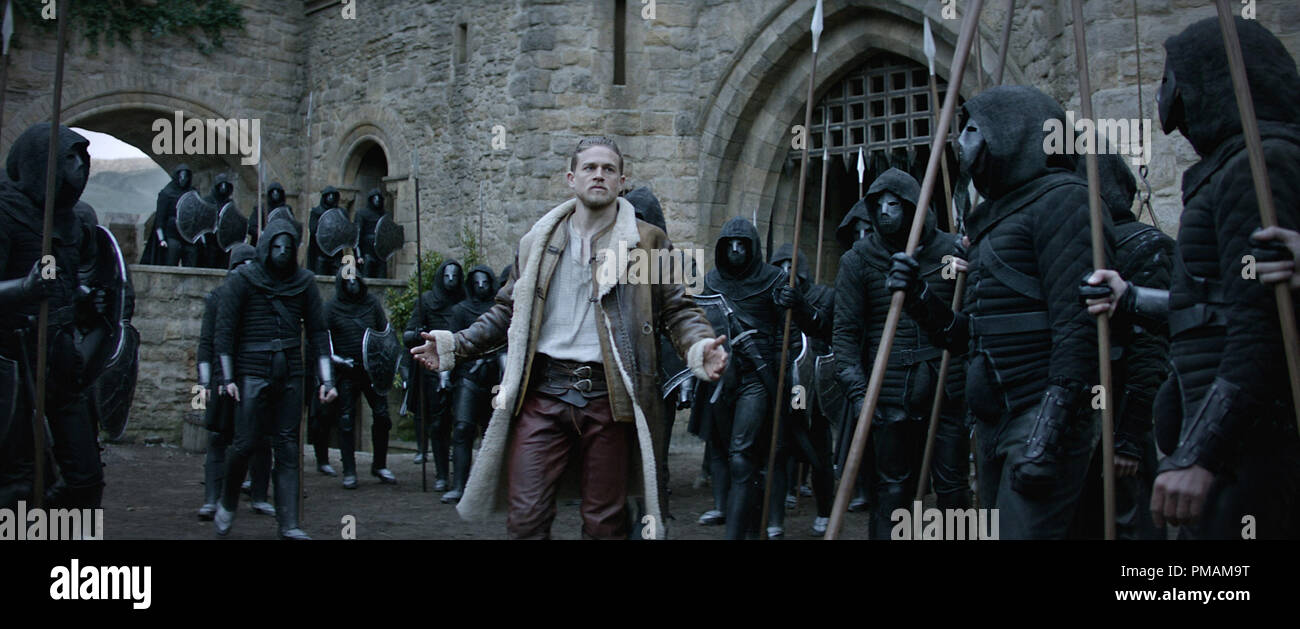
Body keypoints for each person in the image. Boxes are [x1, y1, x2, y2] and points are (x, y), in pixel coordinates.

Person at [411, 136, 727, 539]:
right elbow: (507, 311)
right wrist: (456, 345)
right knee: (525, 518)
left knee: (603, 524)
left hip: (610, 399)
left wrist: (699, 346)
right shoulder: (539, 242)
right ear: (571, 178)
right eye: (590, 168)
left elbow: (678, 309)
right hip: (543, 395)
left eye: (608, 169)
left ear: (621, 181)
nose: (599, 175)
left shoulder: (646, 242)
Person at [889, 86, 1109, 539]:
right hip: (993, 417)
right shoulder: (991, 218)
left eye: (973, 129)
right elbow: (970, 336)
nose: (961, 140)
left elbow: (1077, 328)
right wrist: (918, 298)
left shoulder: (1064, 201)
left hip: (1040, 413)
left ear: (1011, 132)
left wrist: (1047, 436)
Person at [1144, 17, 1300, 538]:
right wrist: (1129, 300)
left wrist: (1202, 452)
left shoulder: (1260, 163)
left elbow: (1259, 327)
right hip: (1230, 441)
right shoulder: (1231, 167)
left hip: (1250, 446)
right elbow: (1206, 306)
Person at [833, 168, 969, 539]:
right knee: (893, 491)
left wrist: (972, 267)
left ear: (911, 206)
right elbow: (845, 334)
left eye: (894, 204)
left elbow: (968, 321)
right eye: (879, 205)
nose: (885, 212)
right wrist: (859, 394)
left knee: (953, 490)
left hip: (945, 388)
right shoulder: (858, 260)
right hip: (890, 393)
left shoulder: (951, 252)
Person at [0, 124, 106, 511]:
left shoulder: (71, 221)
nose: (79, 166)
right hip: (14, 361)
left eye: (83, 158)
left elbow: (65, 285)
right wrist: (24, 289)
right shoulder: (5, 211)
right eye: (69, 158)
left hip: (60, 359)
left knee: (86, 480)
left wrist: (83, 301)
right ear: (41, 163)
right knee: (19, 483)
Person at [213, 217, 337, 540]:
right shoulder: (243, 280)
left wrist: (327, 380)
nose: (282, 252)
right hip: (252, 371)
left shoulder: (304, 283)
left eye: (288, 246)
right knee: (244, 444)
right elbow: (224, 333)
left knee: (287, 448)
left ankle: (289, 523)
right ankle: (227, 501)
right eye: (277, 245)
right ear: (267, 246)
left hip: (291, 373)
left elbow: (318, 333)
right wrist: (227, 377)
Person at [1073, 153, 1172, 540]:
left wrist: (1128, 436)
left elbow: (1150, 349)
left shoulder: (1147, 246)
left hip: (1123, 412)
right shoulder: (1078, 248)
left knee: (1132, 525)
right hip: (1081, 419)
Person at [695, 216, 785, 539]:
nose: (735, 250)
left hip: (758, 378)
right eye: (730, 244)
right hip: (723, 377)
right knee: (728, 452)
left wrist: (794, 304)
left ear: (752, 247)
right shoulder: (712, 281)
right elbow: (704, 327)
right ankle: (748, 526)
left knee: (742, 455)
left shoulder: (774, 279)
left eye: (741, 244)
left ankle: (739, 532)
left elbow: (787, 332)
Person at [196, 243, 274, 519]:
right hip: (222, 377)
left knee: (260, 438)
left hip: (255, 373)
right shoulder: (217, 298)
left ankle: (259, 496)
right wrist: (204, 384)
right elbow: (206, 344)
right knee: (218, 438)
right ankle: (212, 499)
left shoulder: (264, 297)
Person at [769, 244, 838, 536]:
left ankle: (824, 510)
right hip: (778, 383)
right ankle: (774, 518)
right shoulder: (769, 297)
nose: (786, 272)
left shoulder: (823, 296)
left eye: (791, 266)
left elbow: (826, 329)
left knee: (817, 450)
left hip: (808, 387)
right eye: (780, 266)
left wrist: (801, 306)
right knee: (777, 449)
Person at [323, 269, 397, 489]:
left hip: (372, 371)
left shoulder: (371, 303)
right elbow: (323, 342)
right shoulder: (331, 308)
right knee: (346, 420)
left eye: (355, 281)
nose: (353, 285)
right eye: (348, 282)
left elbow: (385, 334)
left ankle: (379, 465)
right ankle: (349, 471)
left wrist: (384, 361)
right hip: (346, 371)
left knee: (383, 417)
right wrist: (338, 361)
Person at [404, 259, 465, 489]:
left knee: (461, 423)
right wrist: (417, 333)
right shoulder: (427, 301)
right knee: (438, 423)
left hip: (461, 367)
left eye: (455, 276)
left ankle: (460, 477)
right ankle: (441, 475)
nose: (451, 280)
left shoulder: (465, 301)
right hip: (433, 368)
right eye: (447, 276)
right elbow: (408, 335)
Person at [443, 265, 501, 503]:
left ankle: (489, 488)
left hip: (495, 379)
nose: (481, 287)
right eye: (476, 283)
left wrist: (492, 361)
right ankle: (459, 485)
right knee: (462, 429)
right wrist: (445, 375)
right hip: (468, 377)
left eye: (485, 283)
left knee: (492, 433)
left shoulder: (499, 311)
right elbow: (452, 343)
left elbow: (508, 342)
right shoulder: (460, 311)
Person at [152, 163, 198, 267]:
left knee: (191, 260)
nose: (183, 179)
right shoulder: (167, 193)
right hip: (172, 233)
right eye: (181, 176)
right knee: (172, 259)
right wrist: (161, 239)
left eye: (185, 176)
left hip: (189, 234)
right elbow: (160, 218)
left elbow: (198, 214)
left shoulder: (192, 193)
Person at [198, 173, 236, 269]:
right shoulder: (208, 200)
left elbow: (232, 218)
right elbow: (202, 219)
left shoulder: (229, 203)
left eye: (225, 185)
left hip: (224, 238)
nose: (223, 188)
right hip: (210, 238)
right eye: (221, 185)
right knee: (210, 261)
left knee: (224, 263)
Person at [307, 186, 344, 275]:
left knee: (337, 274)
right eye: (328, 195)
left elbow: (344, 229)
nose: (331, 197)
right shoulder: (316, 212)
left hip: (335, 250)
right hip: (320, 250)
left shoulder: (340, 212)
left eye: (333, 195)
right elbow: (313, 230)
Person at [355, 189, 387, 279]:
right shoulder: (361, 214)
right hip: (367, 253)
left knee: (382, 280)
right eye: (375, 198)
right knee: (365, 278)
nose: (377, 201)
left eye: (379, 199)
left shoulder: (384, 215)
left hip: (380, 254)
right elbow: (356, 236)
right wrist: (358, 256)